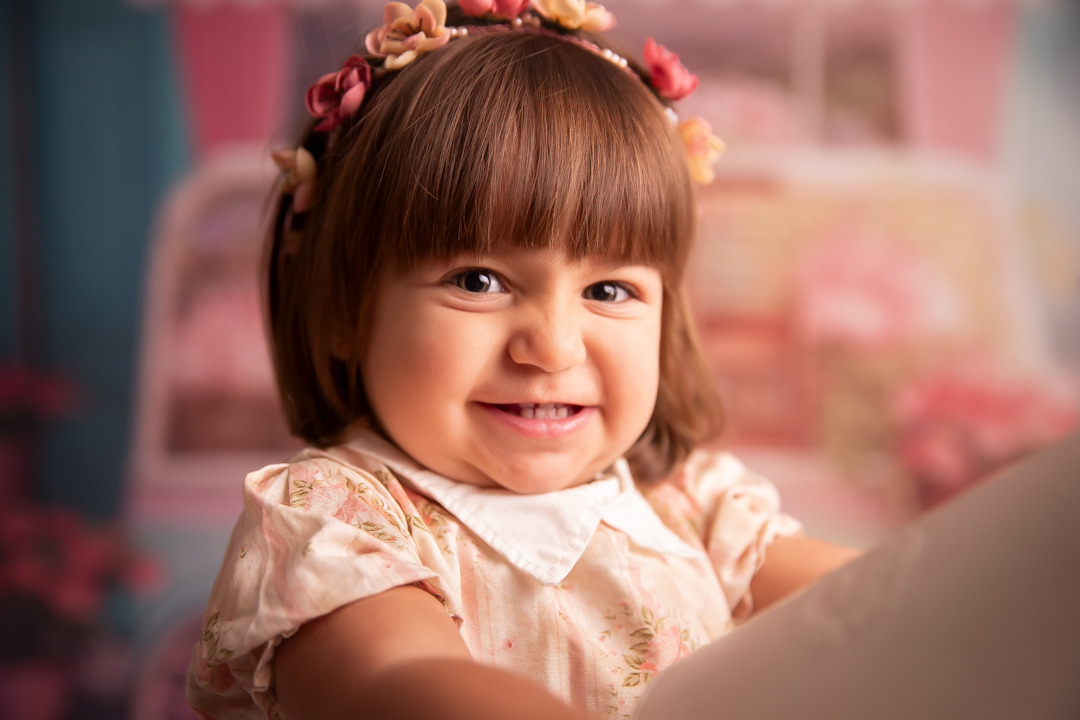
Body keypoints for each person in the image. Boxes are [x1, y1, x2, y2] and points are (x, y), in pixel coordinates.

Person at [185, 2, 857, 718]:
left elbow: (887, 603)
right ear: (347, 309)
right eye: (478, 281)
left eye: (609, 289)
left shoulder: (696, 510)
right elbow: (396, 681)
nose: (554, 347)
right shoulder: (336, 520)